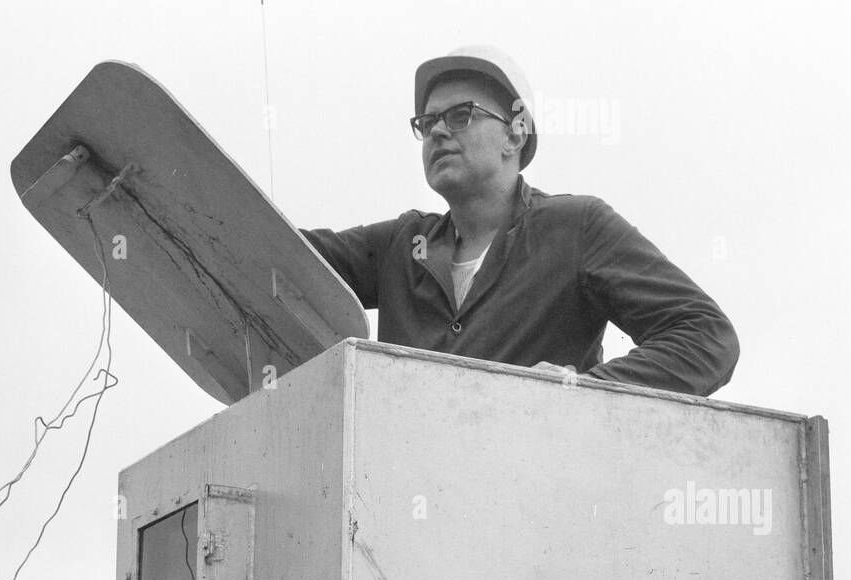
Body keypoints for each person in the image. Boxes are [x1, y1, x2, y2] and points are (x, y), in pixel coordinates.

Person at [301, 46, 739, 397]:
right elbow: (275, 250)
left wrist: (584, 392)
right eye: (427, 121)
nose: (437, 131)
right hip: (395, 497)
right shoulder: (401, 244)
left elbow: (706, 336)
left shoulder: (575, 229)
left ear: (515, 133)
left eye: (460, 115)